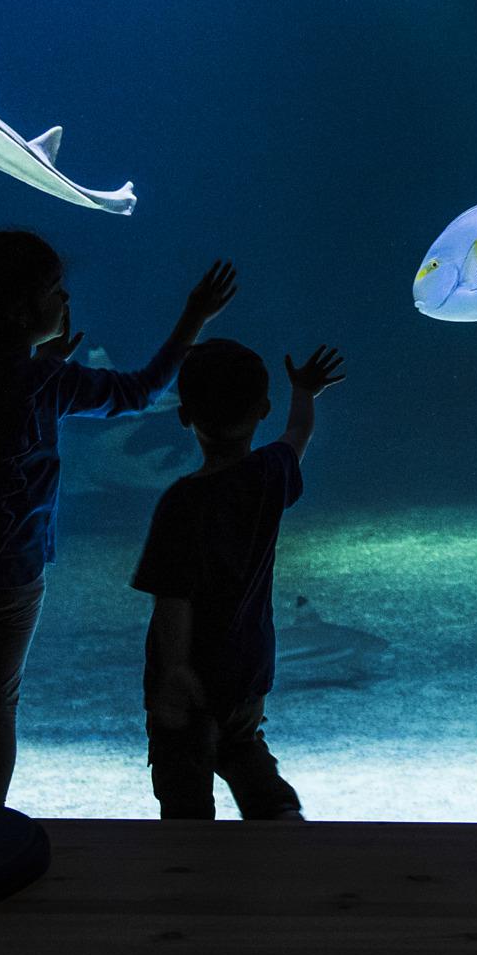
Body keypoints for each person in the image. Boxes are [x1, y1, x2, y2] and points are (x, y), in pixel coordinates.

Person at [0, 230, 237, 805]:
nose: (66, 299)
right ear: (19, 311)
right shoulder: (49, 382)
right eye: (55, 290)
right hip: (10, 578)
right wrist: (194, 316)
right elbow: (141, 391)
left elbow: (2, 388)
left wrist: (42, 361)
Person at [130, 338, 346, 820]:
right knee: (241, 745)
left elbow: (173, 599)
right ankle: (278, 812)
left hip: (191, 674)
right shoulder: (270, 474)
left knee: (182, 771)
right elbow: (298, 434)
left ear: (184, 416)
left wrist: (175, 668)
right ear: (262, 409)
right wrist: (304, 392)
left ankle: (190, 848)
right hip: (248, 668)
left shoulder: (181, 503)